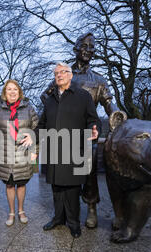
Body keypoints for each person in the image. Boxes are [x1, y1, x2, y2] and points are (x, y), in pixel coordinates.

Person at [41, 33, 116, 229]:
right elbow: (46, 96)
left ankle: (91, 206)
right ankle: (61, 214)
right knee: (59, 175)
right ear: (76, 48)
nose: (88, 50)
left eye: (92, 47)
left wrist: (116, 116)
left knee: (88, 170)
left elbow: (109, 104)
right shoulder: (63, 74)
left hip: (85, 135)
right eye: (84, 46)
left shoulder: (98, 80)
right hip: (62, 135)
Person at [37, 62, 100, 238]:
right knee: (56, 188)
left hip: (73, 148)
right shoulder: (50, 100)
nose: (59, 75)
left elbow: (92, 119)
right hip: (54, 149)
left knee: (72, 189)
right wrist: (32, 136)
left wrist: (94, 129)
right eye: (56, 73)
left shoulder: (83, 96)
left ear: (70, 75)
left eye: (63, 72)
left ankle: (73, 223)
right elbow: (42, 124)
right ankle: (58, 218)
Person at [0, 80, 39, 226]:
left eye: (15, 89)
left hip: (23, 153)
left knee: (21, 183)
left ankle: (21, 210)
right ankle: (11, 212)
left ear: (19, 92)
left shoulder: (29, 109)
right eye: (9, 90)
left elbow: (37, 130)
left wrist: (35, 151)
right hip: (5, 153)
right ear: (4, 93)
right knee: (8, 184)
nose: (12, 92)